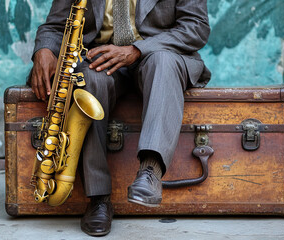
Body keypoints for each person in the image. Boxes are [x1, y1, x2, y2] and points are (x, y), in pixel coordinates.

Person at [29, 0, 210, 236]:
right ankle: (99, 199)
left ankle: (150, 171)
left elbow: (196, 27)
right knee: (88, 79)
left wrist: (136, 50)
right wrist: (44, 50)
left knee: (162, 62)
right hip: (102, 57)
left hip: (158, 54)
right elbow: (55, 26)